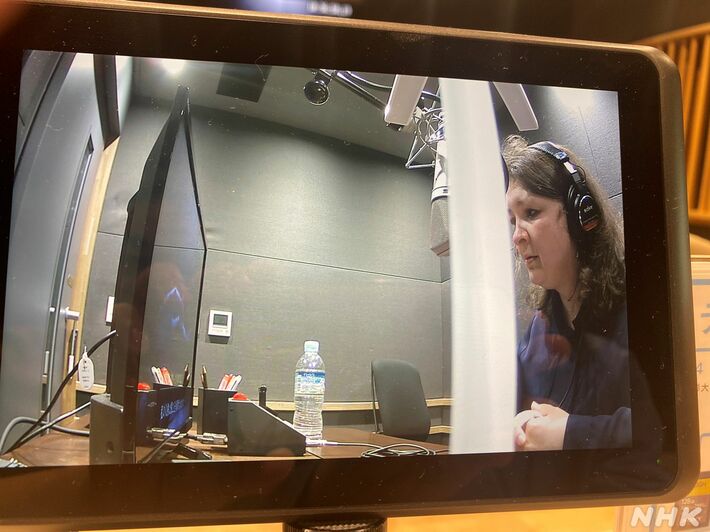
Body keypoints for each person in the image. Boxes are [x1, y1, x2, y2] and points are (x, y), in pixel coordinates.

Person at [503, 135, 630, 451]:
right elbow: (512, 405)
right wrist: (516, 424)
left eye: (531, 212)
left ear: (580, 215)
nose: (517, 236)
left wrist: (569, 433)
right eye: (513, 221)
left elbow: (667, 426)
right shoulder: (539, 329)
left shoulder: (636, 310)